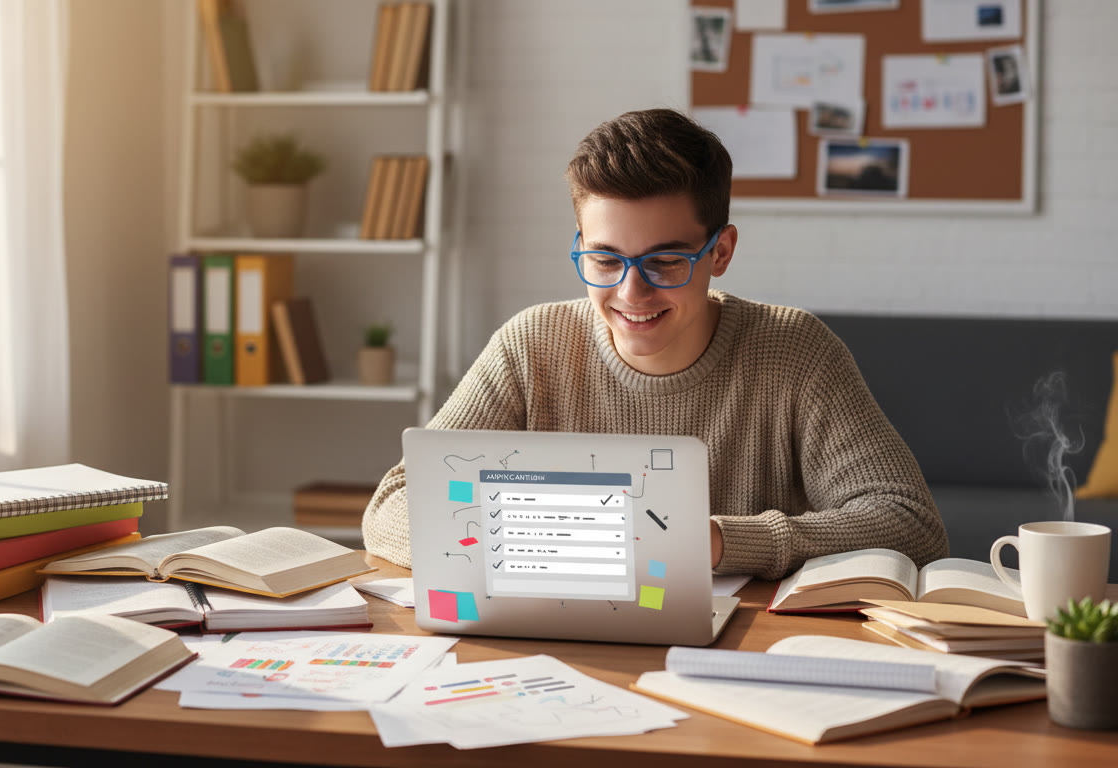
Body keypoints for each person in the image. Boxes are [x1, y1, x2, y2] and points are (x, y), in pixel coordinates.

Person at [361, 108, 949, 580]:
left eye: (666, 260)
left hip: (739, 654)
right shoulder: (531, 344)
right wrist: (542, 544)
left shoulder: (794, 350)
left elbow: (910, 523)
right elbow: (395, 503)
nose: (630, 291)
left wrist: (722, 541)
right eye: (604, 259)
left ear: (720, 252)